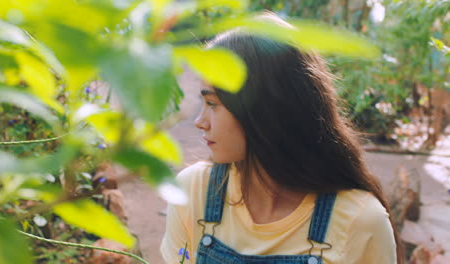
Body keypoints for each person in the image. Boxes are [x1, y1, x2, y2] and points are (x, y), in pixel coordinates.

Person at [161, 12, 403, 264]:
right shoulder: (192, 193)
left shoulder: (359, 221)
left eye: (213, 103)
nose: (200, 122)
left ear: (263, 109)